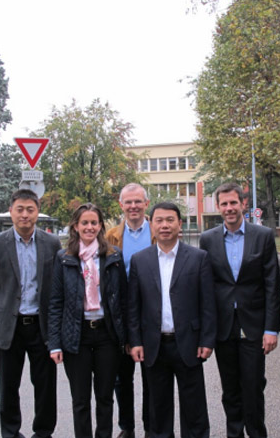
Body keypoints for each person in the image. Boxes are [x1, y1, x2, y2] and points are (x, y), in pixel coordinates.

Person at [199, 182, 280, 438]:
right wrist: (206, 332)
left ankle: (257, 433)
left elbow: (272, 285)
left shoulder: (263, 236)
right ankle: (234, 433)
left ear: (243, 204)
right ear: (218, 207)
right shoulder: (208, 239)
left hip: (253, 326)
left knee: (253, 386)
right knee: (230, 389)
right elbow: (206, 286)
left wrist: (271, 329)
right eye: (224, 204)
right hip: (224, 327)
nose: (229, 208)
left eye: (233, 202)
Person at [128, 202, 216, 438]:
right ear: (151, 225)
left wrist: (207, 340)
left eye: (170, 220)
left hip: (189, 342)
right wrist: (135, 341)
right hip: (154, 345)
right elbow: (134, 306)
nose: (164, 225)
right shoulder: (140, 260)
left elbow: (208, 304)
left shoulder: (198, 258)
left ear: (180, 224)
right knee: (158, 408)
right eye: (159, 220)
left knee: (194, 407)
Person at [0, 189, 61, 438]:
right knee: (8, 386)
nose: (25, 215)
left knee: (45, 386)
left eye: (30, 210)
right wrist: (4, 306)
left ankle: (43, 432)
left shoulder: (51, 243)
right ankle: (11, 433)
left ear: (37, 212)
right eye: (20, 209)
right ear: (11, 212)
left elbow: (56, 284)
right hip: (9, 327)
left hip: (41, 326)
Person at [47, 203, 128, 438]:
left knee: (105, 397)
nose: (89, 227)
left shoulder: (113, 255)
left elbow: (123, 300)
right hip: (77, 335)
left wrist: (126, 338)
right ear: (76, 226)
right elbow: (56, 302)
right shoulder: (64, 258)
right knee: (80, 400)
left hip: (106, 335)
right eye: (85, 223)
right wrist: (55, 344)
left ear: (101, 226)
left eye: (94, 223)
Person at [106, 183, 153, 438]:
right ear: (121, 205)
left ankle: (151, 427)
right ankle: (127, 427)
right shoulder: (111, 236)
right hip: (121, 316)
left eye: (138, 201)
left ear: (146, 203)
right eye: (128, 202)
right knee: (121, 378)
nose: (133, 206)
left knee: (152, 376)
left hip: (152, 314)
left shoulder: (157, 232)